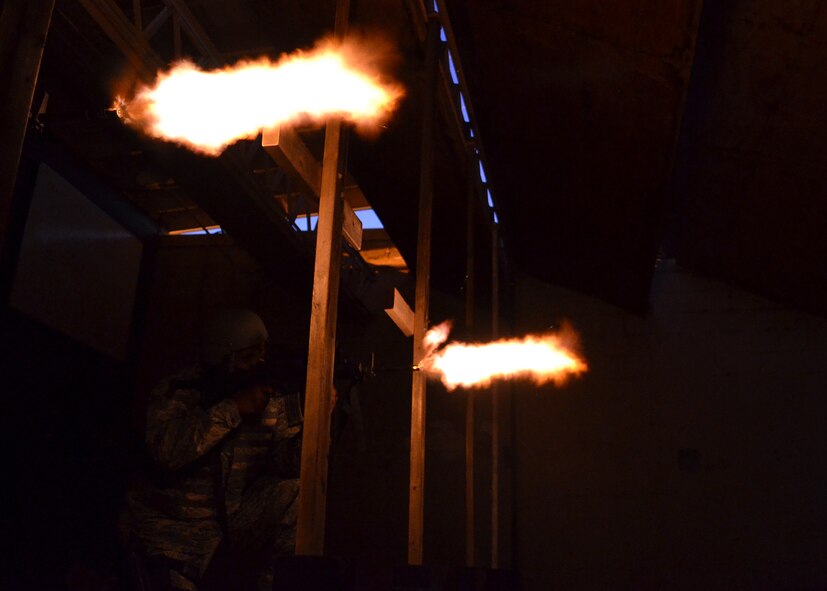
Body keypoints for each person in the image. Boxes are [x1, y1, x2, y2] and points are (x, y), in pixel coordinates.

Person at [125, 308, 303, 591]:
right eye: (247, 358)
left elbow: (287, 465)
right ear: (222, 359)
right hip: (173, 535)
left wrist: (319, 421)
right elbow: (167, 453)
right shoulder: (182, 392)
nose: (256, 365)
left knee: (293, 491)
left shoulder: (268, 401)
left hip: (227, 530)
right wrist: (232, 409)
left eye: (260, 356)